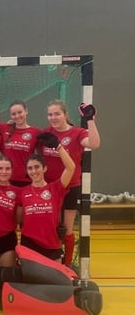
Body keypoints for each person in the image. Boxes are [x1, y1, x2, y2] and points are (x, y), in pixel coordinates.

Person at [41, 100, 101, 266]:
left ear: (65, 115)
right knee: (51, 227)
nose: (53, 117)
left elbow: (94, 144)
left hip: (70, 187)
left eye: (57, 114)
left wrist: (90, 119)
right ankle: (50, 263)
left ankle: (66, 267)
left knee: (67, 228)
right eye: (50, 114)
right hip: (49, 188)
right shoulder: (46, 133)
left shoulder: (77, 132)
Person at [20, 132, 76, 261]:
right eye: (30, 168)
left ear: (44, 168)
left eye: (37, 167)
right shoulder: (22, 192)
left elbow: (71, 168)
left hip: (52, 243)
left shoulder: (56, 188)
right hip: (29, 243)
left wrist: (58, 146)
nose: (34, 171)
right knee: (31, 274)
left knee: (54, 274)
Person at [0, 95, 41, 187]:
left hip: (26, 180)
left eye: (20, 112)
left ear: (26, 111)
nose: (17, 116)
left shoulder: (36, 132)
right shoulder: (5, 127)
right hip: (5, 178)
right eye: (13, 114)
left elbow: (41, 155)